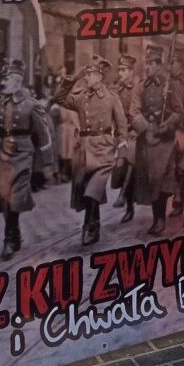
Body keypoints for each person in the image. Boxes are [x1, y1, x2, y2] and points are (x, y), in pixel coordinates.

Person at [0, 61, 50, 260]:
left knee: (15, 195)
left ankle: (9, 238)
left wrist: (47, 162)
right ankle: (14, 230)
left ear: (18, 82)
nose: (4, 82)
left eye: (8, 78)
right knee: (4, 196)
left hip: (22, 153)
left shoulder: (31, 104)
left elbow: (43, 133)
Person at [53, 56, 128, 245]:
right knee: (86, 191)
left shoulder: (112, 98)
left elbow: (122, 127)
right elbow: (59, 98)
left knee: (92, 191)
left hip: (103, 149)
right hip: (84, 150)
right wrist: (73, 78)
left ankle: (90, 226)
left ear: (100, 76)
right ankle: (94, 224)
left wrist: (121, 151)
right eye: (86, 74)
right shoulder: (81, 98)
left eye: (90, 74)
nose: (87, 78)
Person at [131, 45, 184, 235]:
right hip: (147, 139)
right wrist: (146, 126)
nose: (147, 67)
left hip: (164, 141)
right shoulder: (140, 87)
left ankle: (160, 218)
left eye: (151, 63)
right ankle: (156, 217)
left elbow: (179, 112)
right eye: (146, 63)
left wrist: (167, 124)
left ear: (159, 65)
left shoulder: (169, 86)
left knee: (161, 180)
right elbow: (134, 111)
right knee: (151, 180)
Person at [111, 54, 140, 224]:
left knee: (131, 156)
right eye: (119, 70)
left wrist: (135, 127)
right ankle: (129, 206)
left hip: (137, 134)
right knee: (121, 168)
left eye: (123, 70)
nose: (120, 73)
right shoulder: (116, 91)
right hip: (121, 135)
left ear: (131, 71)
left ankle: (123, 196)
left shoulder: (139, 88)